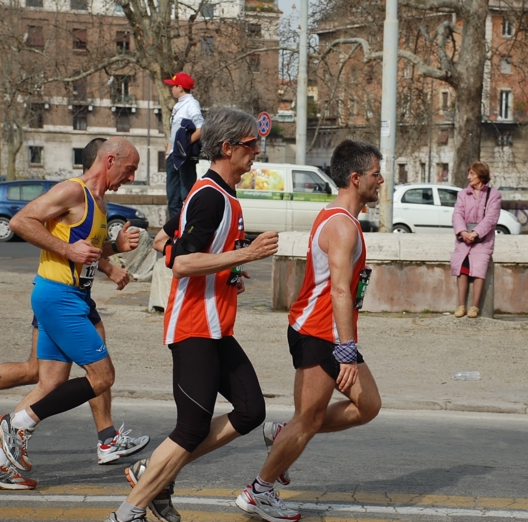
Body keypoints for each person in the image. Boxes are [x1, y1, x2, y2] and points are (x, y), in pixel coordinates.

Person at [103, 108, 279, 522]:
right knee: (190, 429)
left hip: (217, 327)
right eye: (253, 146)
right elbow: (180, 262)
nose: (258, 153)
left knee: (251, 410)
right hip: (194, 327)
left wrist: (231, 269)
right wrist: (246, 253)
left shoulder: (222, 194)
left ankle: (157, 475)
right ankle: (128, 511)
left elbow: (169, 238)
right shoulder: (210, 197)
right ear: (228, 147)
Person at [0, 139, 149, 490]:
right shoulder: (73, 191)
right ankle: (16, 424)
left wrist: (112, 253)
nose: (131, 178)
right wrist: (66, 248)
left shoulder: (98, 203)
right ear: (111, 160)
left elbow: (83, 250)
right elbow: (20, 221)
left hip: (74, 297)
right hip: (59, 298)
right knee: (102, 377)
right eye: (129, 169)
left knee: (49, 381)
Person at [235, 139, 383, 522]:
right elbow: (337, 289)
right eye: (375, 174)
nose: (380, 181)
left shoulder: (339, 217)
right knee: (309, 419)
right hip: (319, 333)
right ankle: (258, 492)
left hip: (329, 332)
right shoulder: (341, 226)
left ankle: (282, 432)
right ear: (355, 178)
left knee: (368, 406)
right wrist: (347, 349)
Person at [451, 161, 502, 318]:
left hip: (482, 240)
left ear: (481, 175)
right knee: (462, 268)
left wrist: (476, 233)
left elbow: (491, 218)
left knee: (479, 269)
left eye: (472, 174)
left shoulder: (493, 195)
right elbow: (457, 214)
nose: (468, 177)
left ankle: (475, 307)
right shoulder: (462, 194)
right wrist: (463, 232)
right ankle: (461, 306)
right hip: (464, 238)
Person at [163, 72, 204, 219]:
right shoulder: (178, 106)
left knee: (185, 196)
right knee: (173, 199)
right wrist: (168, 152)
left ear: (180, 88)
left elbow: (201, 128)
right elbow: (173, 133)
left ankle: (184, 231)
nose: (171, 89)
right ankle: (175, 233)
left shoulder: (191, 104)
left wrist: (184, 145)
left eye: (173, 86)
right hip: (174, 155)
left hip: (183, 156)